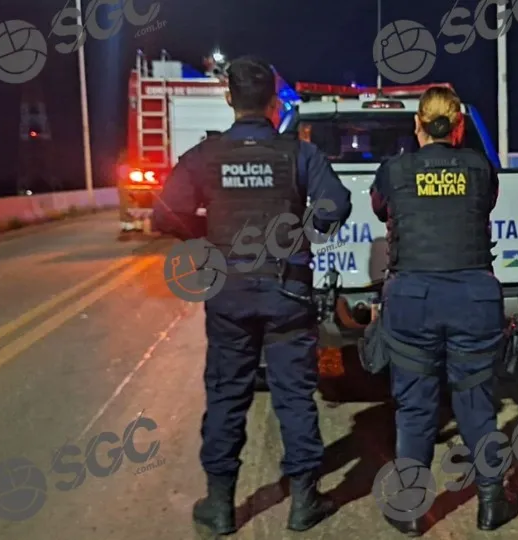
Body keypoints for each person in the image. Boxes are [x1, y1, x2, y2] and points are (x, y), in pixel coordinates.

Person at [153, 56, 352, 534]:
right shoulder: (298, 153)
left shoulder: (205, 156)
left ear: (229, 98)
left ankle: (221, 506)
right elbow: (336, 206)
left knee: (227, 395)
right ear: (272, 102)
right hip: (287, 292)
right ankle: (305, 501)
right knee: (294, 396)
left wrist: (207, 237)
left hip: (230, 293)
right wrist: (305, 230)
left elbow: (164, 214)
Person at [369, 86, 518, 535]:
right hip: (473, 299)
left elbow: (380, 209)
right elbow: (485, 202)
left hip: (413, 301)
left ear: (417, 124)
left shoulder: (395, 170)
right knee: (476, 403)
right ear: (458, 126)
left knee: (415, 407)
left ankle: (411, 510)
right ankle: (491, 503)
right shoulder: (479, 167)